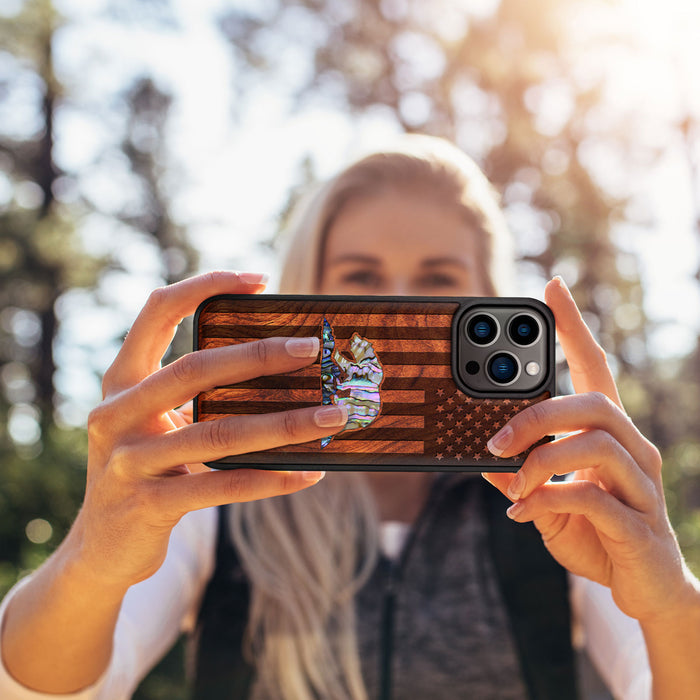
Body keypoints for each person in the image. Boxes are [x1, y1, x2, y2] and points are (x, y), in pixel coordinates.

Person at [1, 135, 699, 700]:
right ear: (307, 295)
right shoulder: (217, 495)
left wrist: (670, 604)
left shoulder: (553, 501)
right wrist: (94, 556)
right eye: (361, 278)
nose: (396, 310)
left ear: (487, 299)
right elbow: (48, 690)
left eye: (437, 281)